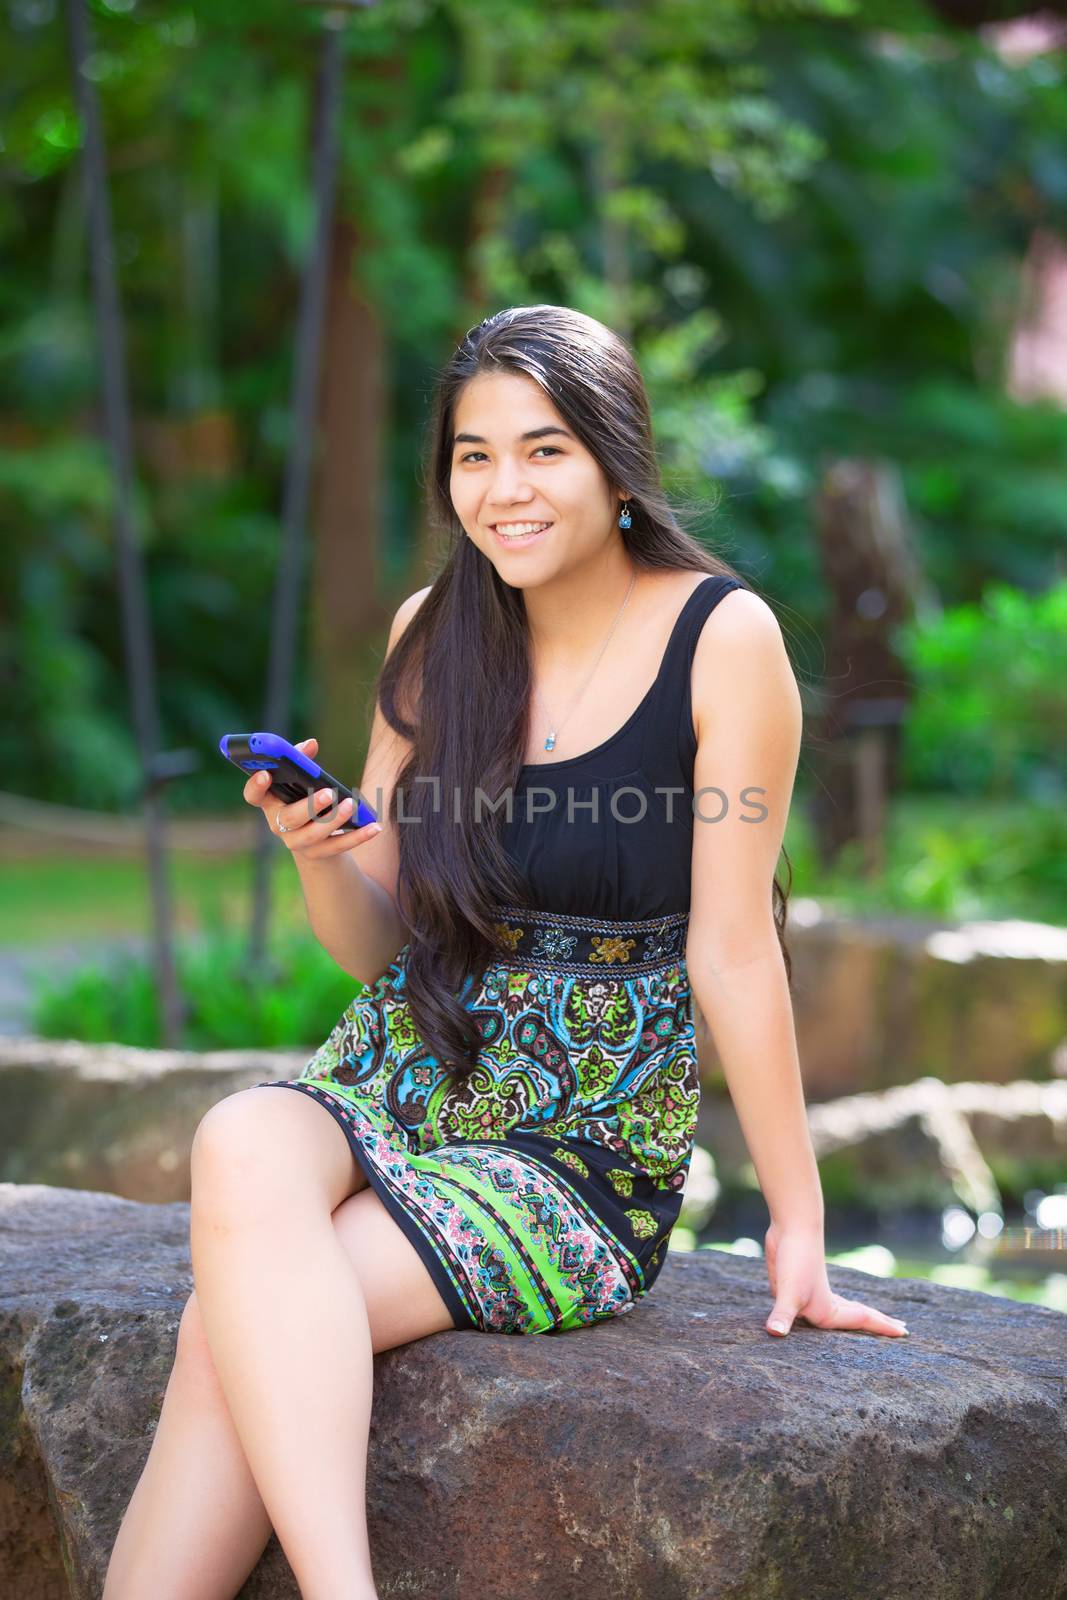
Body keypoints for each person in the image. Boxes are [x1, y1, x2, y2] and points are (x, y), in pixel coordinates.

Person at [103, 305, 907, 1600]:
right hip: (411, 1068)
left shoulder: (722, 637)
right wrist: (322, 849)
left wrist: (797, 1222)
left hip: (576, 1140)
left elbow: (737, 951)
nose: (504, 489)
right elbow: (377, 943)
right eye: (473, 456)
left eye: (543, 450)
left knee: (229, 1328)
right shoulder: (436, 632)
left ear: (616, 458)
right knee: (239, 1139)